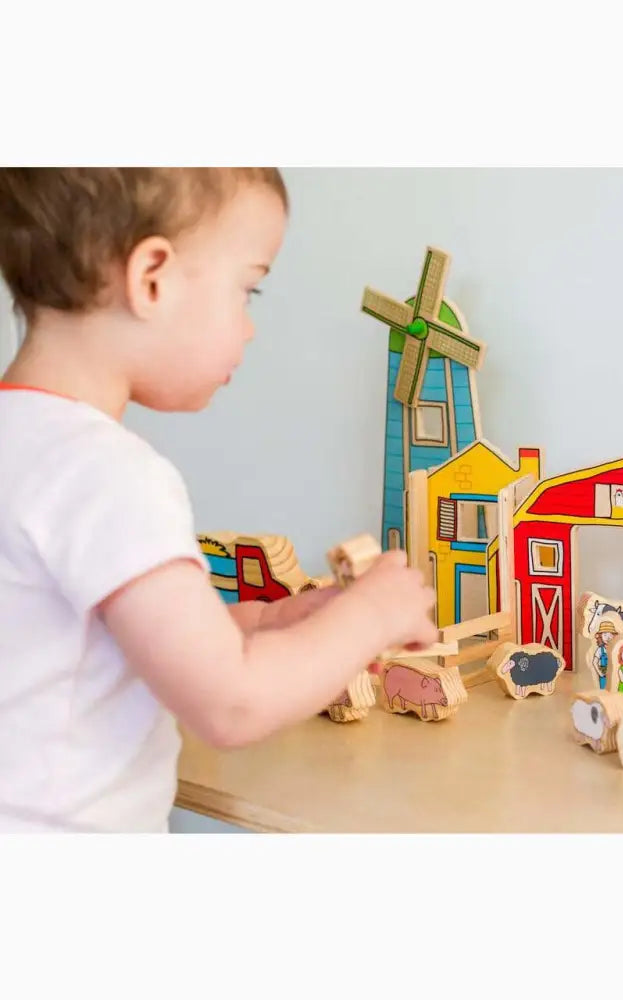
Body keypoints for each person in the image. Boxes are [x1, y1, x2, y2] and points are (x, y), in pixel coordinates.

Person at [0, 168, 438, 832]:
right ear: (153, 278)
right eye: (247, 289)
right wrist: (373, 616)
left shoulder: (28, 449)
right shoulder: (107, 476)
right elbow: (231, 705)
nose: (250, 328)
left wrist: (272, 626)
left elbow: (94, 650)